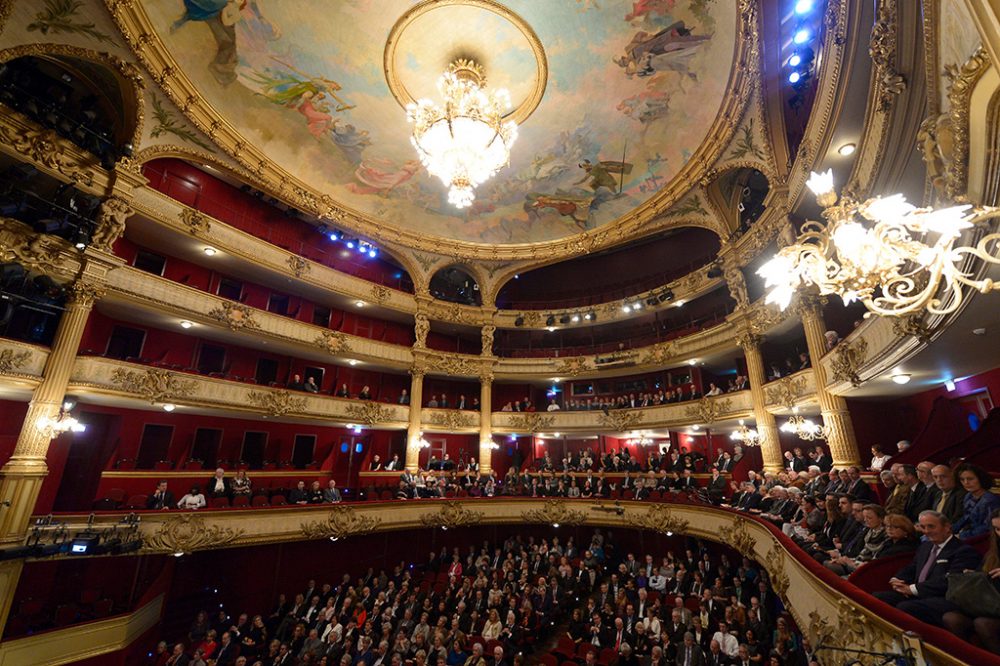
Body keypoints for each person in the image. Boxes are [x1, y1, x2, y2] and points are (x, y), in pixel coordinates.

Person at [873, 510, 982, 626]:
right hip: (918, 594)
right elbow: (913, 567)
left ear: (947, 527)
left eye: (931, 526)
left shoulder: (963, 551)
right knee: (877, 598)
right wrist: (897, 579)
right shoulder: (925, 546)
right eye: (923, 527)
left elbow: (950, 581)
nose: (926, 531)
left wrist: (912, 589)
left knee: (906, 607)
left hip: (943, 598)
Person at [942, 508, 1000, 655]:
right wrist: (974, 575)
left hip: (994, 609)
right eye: (998, 529)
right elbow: (984, 575)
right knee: (951, 618)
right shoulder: (994, 552)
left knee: (983, 624)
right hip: (990, 604)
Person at [952, 462, 1000, 539]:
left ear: (980, 479)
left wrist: (961, 536)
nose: (966, 483)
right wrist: (949, 530)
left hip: (981, 539)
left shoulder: (990, 500)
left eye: (970, 479)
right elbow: (965, 518)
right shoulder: (968, 496)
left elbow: (987, 527)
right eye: (962, 479)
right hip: (968, 533)